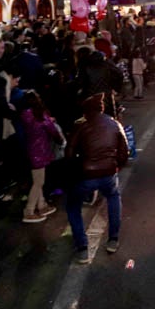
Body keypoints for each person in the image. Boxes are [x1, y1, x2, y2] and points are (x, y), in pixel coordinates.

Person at [65, 93, 128, 264]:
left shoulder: (81, 126)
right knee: (113, 198)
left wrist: (76, 170)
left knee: (72, 206)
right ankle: (113, 240)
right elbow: (124, 151)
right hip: (109, 172)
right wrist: (115, 167)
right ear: (101, 109)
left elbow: (69, 153)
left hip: (86, 175)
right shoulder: (114, 123)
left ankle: (82, 248)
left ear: (86, 112)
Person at [17, 90, 63, 224]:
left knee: (38, 180)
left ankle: (41, 205)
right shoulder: (40, 117)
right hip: (40, 152)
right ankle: (29, 211)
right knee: (38, 183)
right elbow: (52, 130)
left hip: (31, 151)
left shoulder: (25, 115)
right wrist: (60, 140)